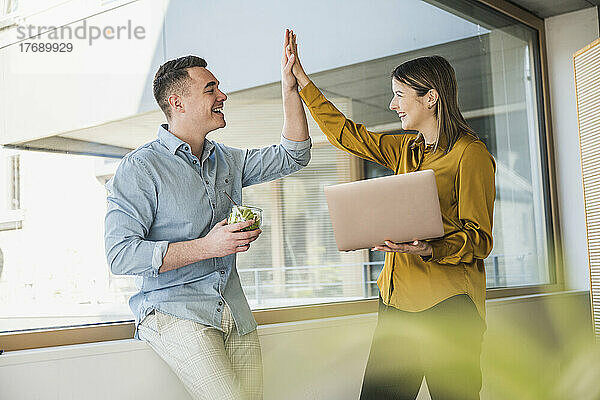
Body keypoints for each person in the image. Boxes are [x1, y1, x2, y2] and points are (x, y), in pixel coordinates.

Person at [286, 31, 495, 399]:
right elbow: (346, 135)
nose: (392, 104)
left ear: (431, 98)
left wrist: (428, 249)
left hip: (448, 308)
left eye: (400, 95)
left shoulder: (469, 153)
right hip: (395, 303)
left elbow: (480, 239)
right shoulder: (406, 149)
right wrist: (302, 81)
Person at [104, 30, 310, 400]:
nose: (223, 95)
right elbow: (120, 256)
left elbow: (294, 154)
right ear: (177, 102)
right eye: (210, 89)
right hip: (174, 313)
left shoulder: (227, 160)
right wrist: (209, 246)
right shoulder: (140, 169)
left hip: (234, 311)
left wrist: (290, 87)